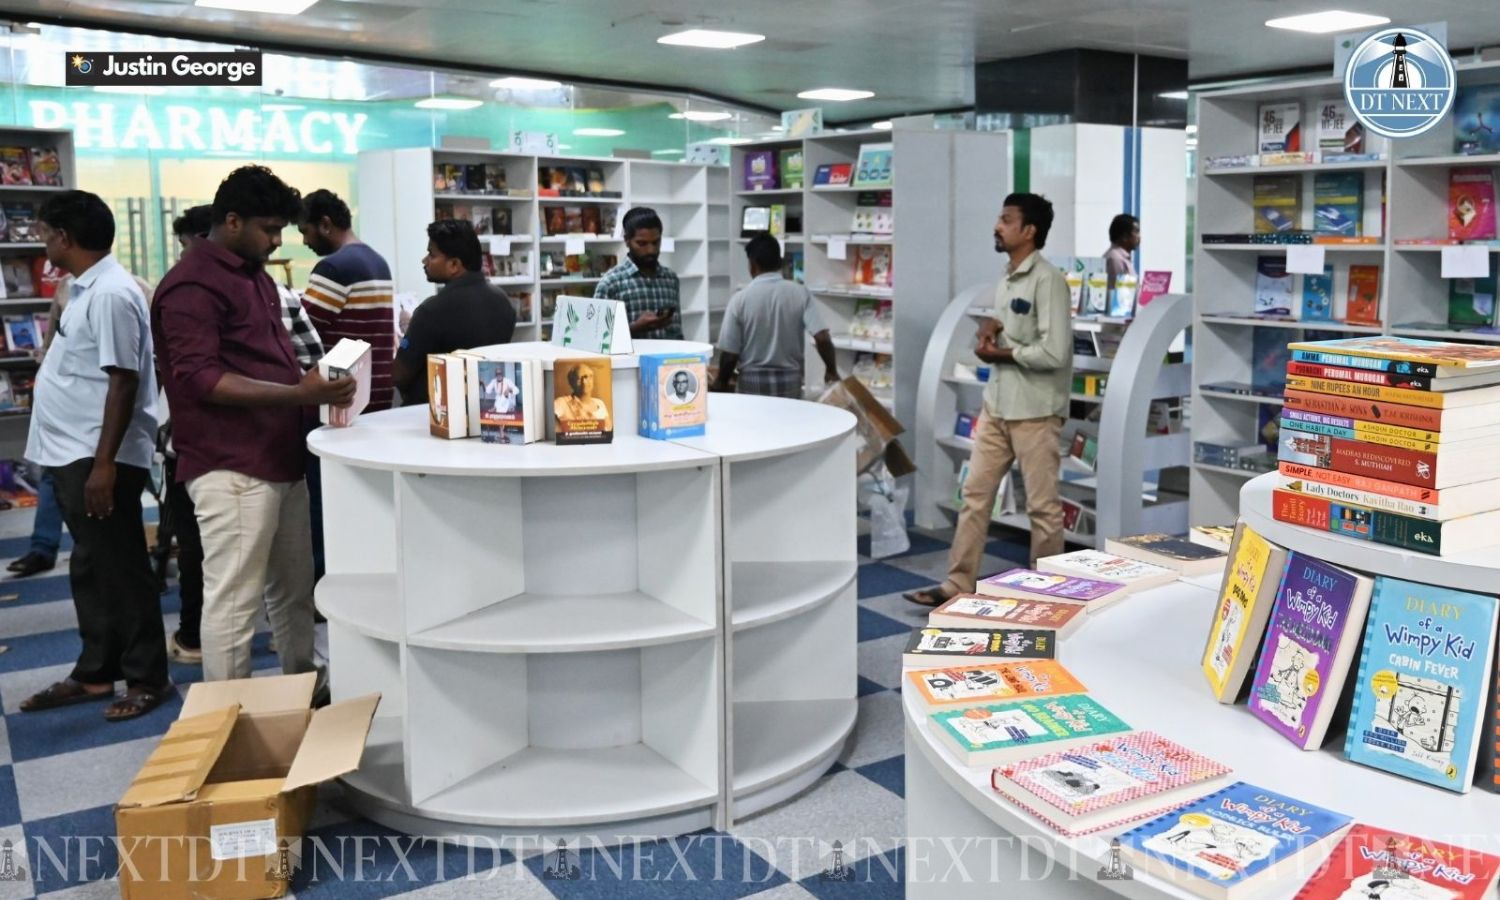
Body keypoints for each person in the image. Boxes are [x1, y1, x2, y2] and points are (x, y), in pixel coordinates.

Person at [152, 166, 354, 685]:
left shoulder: (255, 276)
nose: (277, 240)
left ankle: (302, 687)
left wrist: (309, 391)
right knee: (234, 604)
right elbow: (201, 380)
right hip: (231, 465)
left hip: (279, 456)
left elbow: (271, 359)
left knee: (293, 591)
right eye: (269, 229)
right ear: (232, 221)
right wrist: (299, 393)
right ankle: (227, 716)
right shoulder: (191, 285)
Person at [17, 190, 172, 721]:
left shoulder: (110, 294)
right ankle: (96, 671)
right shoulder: (85, 288)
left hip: (96, 453)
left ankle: (148, 678)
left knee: (122, 566)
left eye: (45, 235)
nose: (43, 244)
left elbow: (123, 381)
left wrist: (105, 464)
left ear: (65, 237)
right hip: (74, 449)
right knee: (91, 563)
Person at [904, 193, 1073, 608]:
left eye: (1006, 220)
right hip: (998, 405)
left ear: (1029, 230)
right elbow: (1016, 322)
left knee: (1043, 509)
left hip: (1035, 410)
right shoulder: (1008, 276)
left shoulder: (1048, 280)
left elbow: (1055, 352)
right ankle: (957, 583)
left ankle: (1048, 596)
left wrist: (1002, 354)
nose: (997, 226)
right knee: (974, 496)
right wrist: (992, 328)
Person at [9, 245, 153, 580]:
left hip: (98, 430)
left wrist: (104, 461)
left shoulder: (122, 291)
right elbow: (53, 338)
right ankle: (43, 548)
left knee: (109, 541)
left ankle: (129, 580)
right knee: (59, 487)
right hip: (64, 426)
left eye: (48, 234)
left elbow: (128, 373)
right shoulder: (68, 287)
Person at [392, 219, 516, 405]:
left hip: (432, 410)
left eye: (431, 255)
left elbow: (400, 375)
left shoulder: (430, 311)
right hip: (485, 406)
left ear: (454, 265)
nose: (424, 261)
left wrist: (409, 332)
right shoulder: (503, 302)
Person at [298, 189, 394, 410]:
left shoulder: (334, 267)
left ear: (325, 224)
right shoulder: (379, 262)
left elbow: (302, 331)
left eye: (305, 232)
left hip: (342, 397)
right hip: (376, 393)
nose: (304, 241)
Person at [711, 233, 838, 397]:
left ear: (752, 264)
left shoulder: (739, 300)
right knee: (789, 415)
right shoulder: (800, 293)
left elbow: (730, 354)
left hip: (751, 384)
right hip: (790, 383)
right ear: (780, 261)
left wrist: (721, 382)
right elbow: (822, 338)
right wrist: (831, 370)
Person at [594, 207, 682, 339]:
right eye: (642, 244)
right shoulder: (610, 284)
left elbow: (677, 332)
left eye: (656, 242)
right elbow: (599, 338)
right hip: (631, 353)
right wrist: (635, 328)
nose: (651, 250)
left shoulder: (671, 279)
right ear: (627, 240)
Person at [554, 363, 610, 428]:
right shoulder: (561, 403)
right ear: (571, 383)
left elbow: (608, 429)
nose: (584, 382)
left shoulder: (599, 403)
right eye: (579, 378)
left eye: (588, 377)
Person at [1104, 213, 1139, 292]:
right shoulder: (1115, 259)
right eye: (1136, 232)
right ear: (1125, 236)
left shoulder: (1122, 257)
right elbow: (1119, 292)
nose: (1139, 237)